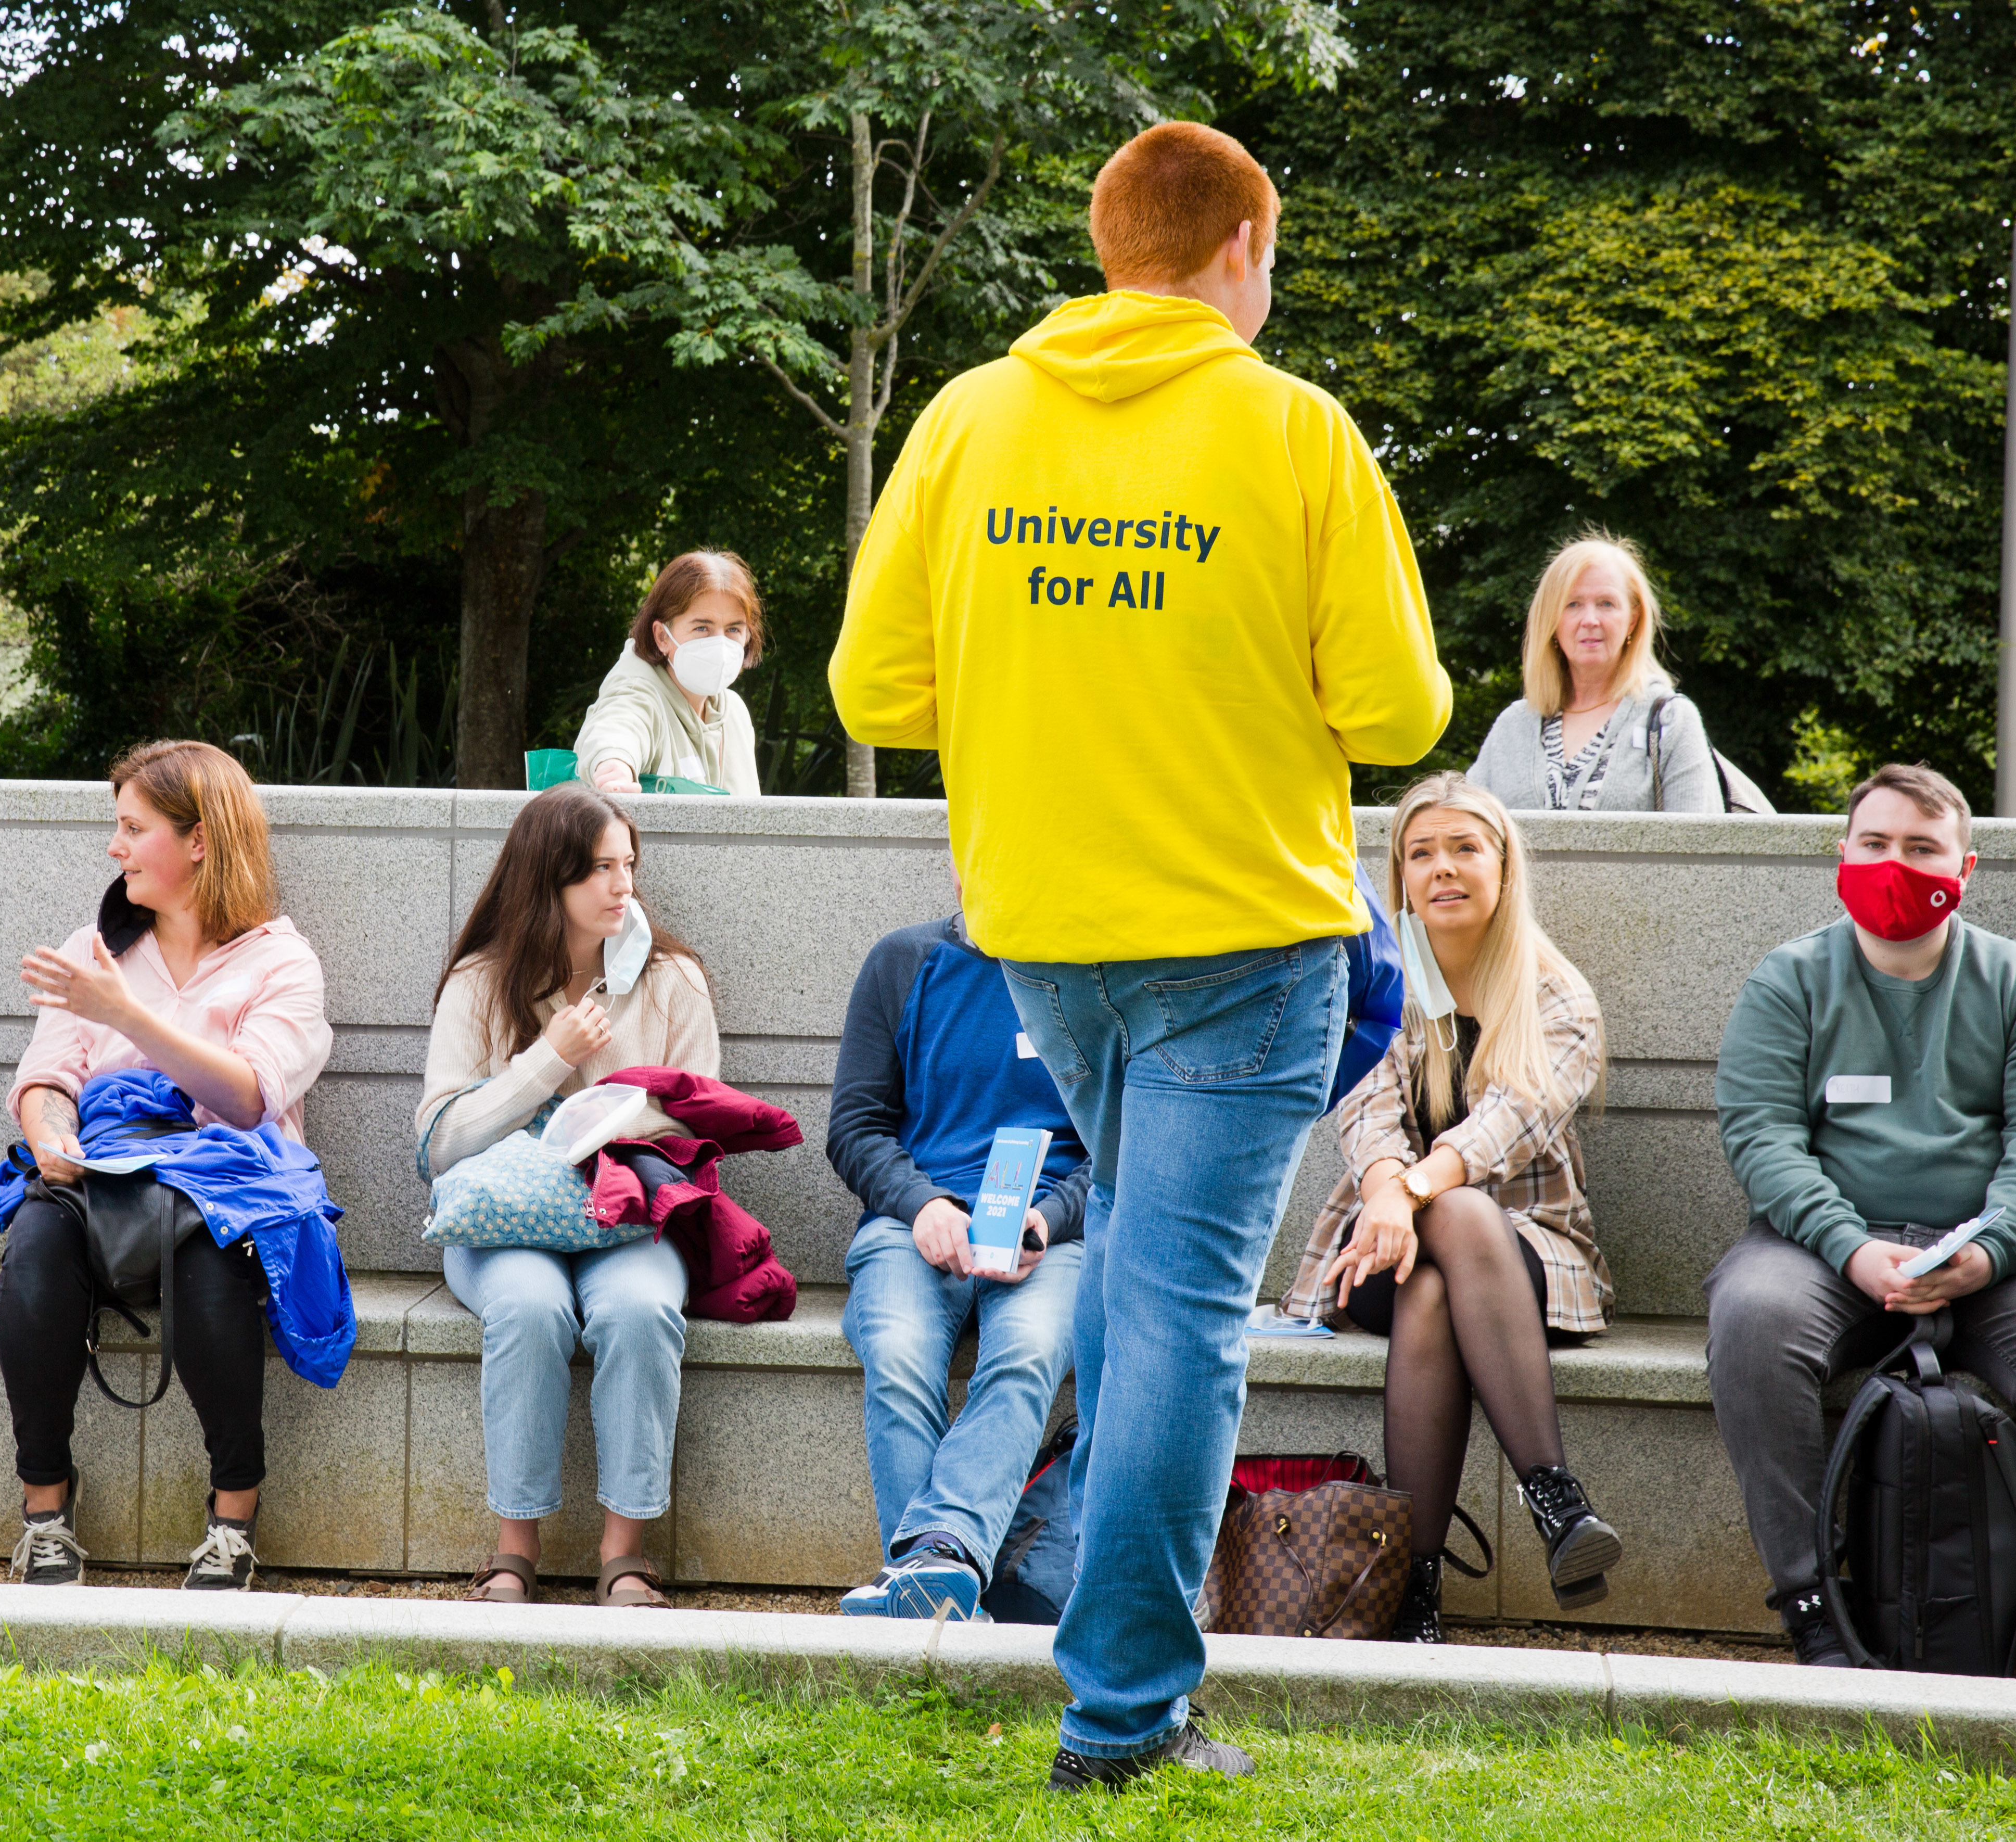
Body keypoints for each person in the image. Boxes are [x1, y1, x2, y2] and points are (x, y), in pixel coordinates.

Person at [830, 122, 1451, 1790]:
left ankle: (1102, 1651)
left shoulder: (968, 419)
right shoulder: (1292, 431)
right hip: (1240, 937)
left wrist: (1055, 672)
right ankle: (1117, 1720)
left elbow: (874, 696)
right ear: (1240, 243)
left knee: (1129, 1283)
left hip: (1044, 936)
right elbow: (1398, 713)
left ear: (1107, 245)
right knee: (1177, 1308)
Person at [1708, 763, 2016, 1682]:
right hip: (1822, 1247)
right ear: (1839, 853)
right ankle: (1814, 1612)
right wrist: (1850, 1248)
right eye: (1873, 843)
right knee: (1751, 1317)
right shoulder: (1786, 981)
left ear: (1962, 866)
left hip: (1996, 1253)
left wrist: (1984, 1250)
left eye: (1919, 847)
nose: (1892, 864)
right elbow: (1762, 1135)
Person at [1281, 774, 1619, 1642]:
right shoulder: (1381, 984)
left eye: (1463, 848)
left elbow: (1509, 1125)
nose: (1442, 868)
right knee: (1438, 1248)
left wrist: (1407, 1190)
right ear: (1398, 875)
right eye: (1419, 852)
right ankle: (1554, 1498)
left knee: (1453, 1240)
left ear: (1503, 869)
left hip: (1527, 1254)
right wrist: (1387, 1193)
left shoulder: (1555, 998)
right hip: (1376, 1256)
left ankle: (1411, 1591)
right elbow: (1363, 1121)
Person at [0, 740, 333, 1591]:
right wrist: (47, 1137)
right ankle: (44, 1511)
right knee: (34, 1255)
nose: (114, 846)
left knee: (212, 1271)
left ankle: (231, 1517)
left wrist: (124, 1014)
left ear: (200, 841)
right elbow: (48, 1074)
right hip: (99, 1172)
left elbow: (251, 1095)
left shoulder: (281, 961)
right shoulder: (98, 945)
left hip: (222, 1181)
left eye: (132, 826)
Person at [419, 784, 718, 1609]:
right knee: (529, 1306)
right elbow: (441, 1144)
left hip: (627, 1222)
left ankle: (624, 1555)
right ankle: (516, 1550)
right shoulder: (481, 984)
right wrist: (548, 1060)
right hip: (504, 1227)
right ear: (545, 881)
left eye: (628, 865)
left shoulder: (672, 982)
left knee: (639, 1311)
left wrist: (615, 1112)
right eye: (597, 869)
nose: (622, 885)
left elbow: (702, 1125)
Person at [827, 905, 1091, 1621]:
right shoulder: (902, 960)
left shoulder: (1092, 971)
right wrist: (922, 1205)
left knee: (1028, 1350)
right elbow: (854, 1126)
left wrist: (1050, 1218)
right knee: (898, 1347)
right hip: (913, 1224)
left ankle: (932, 1567)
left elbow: (1120, 1139)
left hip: (1051, 1233)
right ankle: (941, 1582)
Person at [1466, 533, 1720, 814]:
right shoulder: (1512, 727)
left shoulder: (1670, 722)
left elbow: (1701, 851)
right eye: (1572, 604)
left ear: (1633, 619)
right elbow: (1464, 833)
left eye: (1606, 604)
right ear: (1551, 619)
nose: (1590, 620)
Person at [574, 550, 765, 797]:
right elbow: (619, 724)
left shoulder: (736, 713)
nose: (720, 644)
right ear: (662, 636)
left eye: (733, 629)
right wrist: (614, 766)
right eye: (702, 627)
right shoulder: (639, 692)